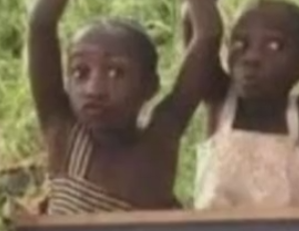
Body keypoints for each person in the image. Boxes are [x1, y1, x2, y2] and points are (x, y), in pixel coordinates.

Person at [28, 0, 221, 214]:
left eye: (116, 72)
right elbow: (41, 24)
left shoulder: (157, 144)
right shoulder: (63, 134)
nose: (94, 89)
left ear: (150, 86)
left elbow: (208, 34)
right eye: (80, 72)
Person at [183, 0, 299, 209]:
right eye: (239, 44)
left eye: (274, 46)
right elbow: (205, 32)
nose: (251, 58)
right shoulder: (219, 103)